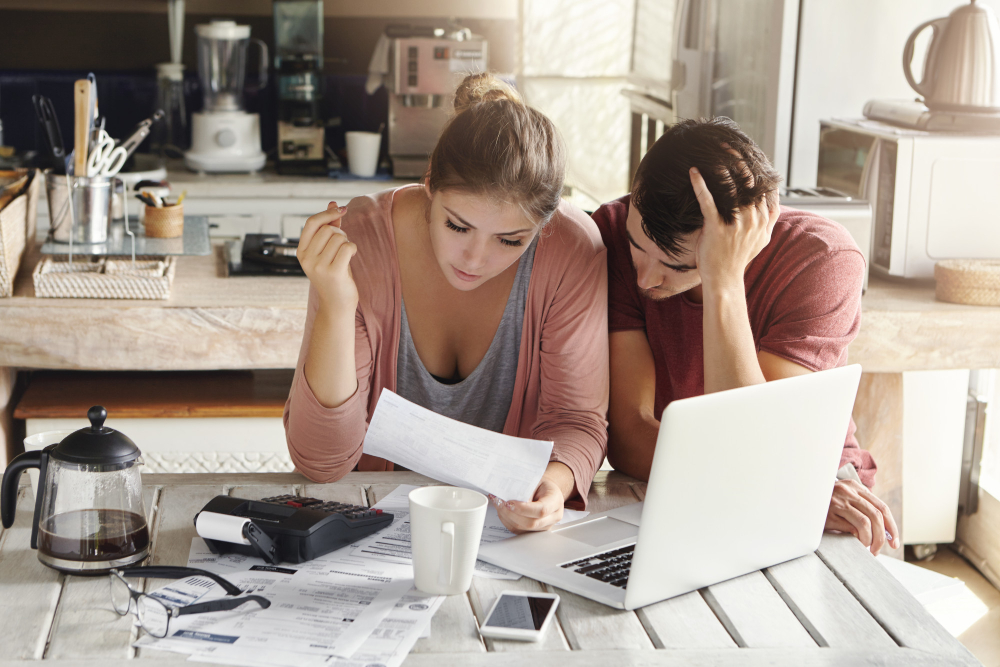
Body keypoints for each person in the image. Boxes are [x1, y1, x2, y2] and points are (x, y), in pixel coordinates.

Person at [283, 73, 609, 533]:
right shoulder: (359, 240)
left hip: (503, 534)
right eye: (458, 227)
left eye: (511, 240)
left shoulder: (573, 249)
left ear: (544, 224)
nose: (476, 260)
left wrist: (552, 486)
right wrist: (337, 305)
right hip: (371, 530)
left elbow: (575, 420)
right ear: (430, 184)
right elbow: (322, 462)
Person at [594, 117, 900, 556]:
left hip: (817, 489)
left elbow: (761, 442)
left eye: (677, 265)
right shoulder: (611, 228)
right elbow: (629, 434)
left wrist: (723, 280)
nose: (645, 279)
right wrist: (754, 476)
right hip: (693, 482)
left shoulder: (822, 258)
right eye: (637, 246)